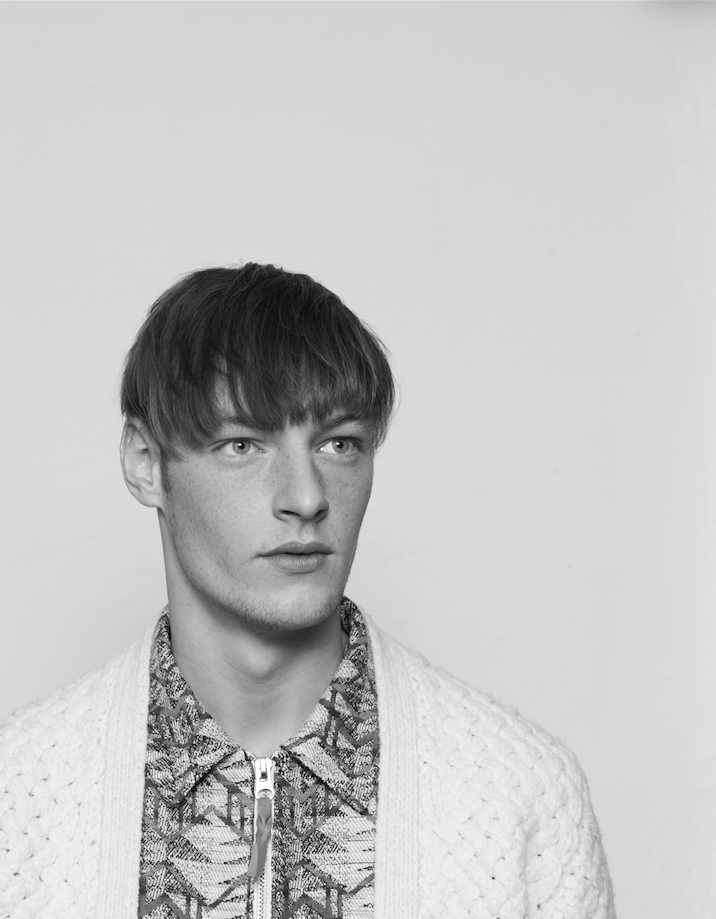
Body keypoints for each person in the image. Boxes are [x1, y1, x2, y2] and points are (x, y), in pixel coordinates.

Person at [0, 263, 616, 919]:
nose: (306, 496)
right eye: (243, 444)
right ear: (146, 464)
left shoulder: (518, 790)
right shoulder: (19, 796)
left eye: (338, 443)